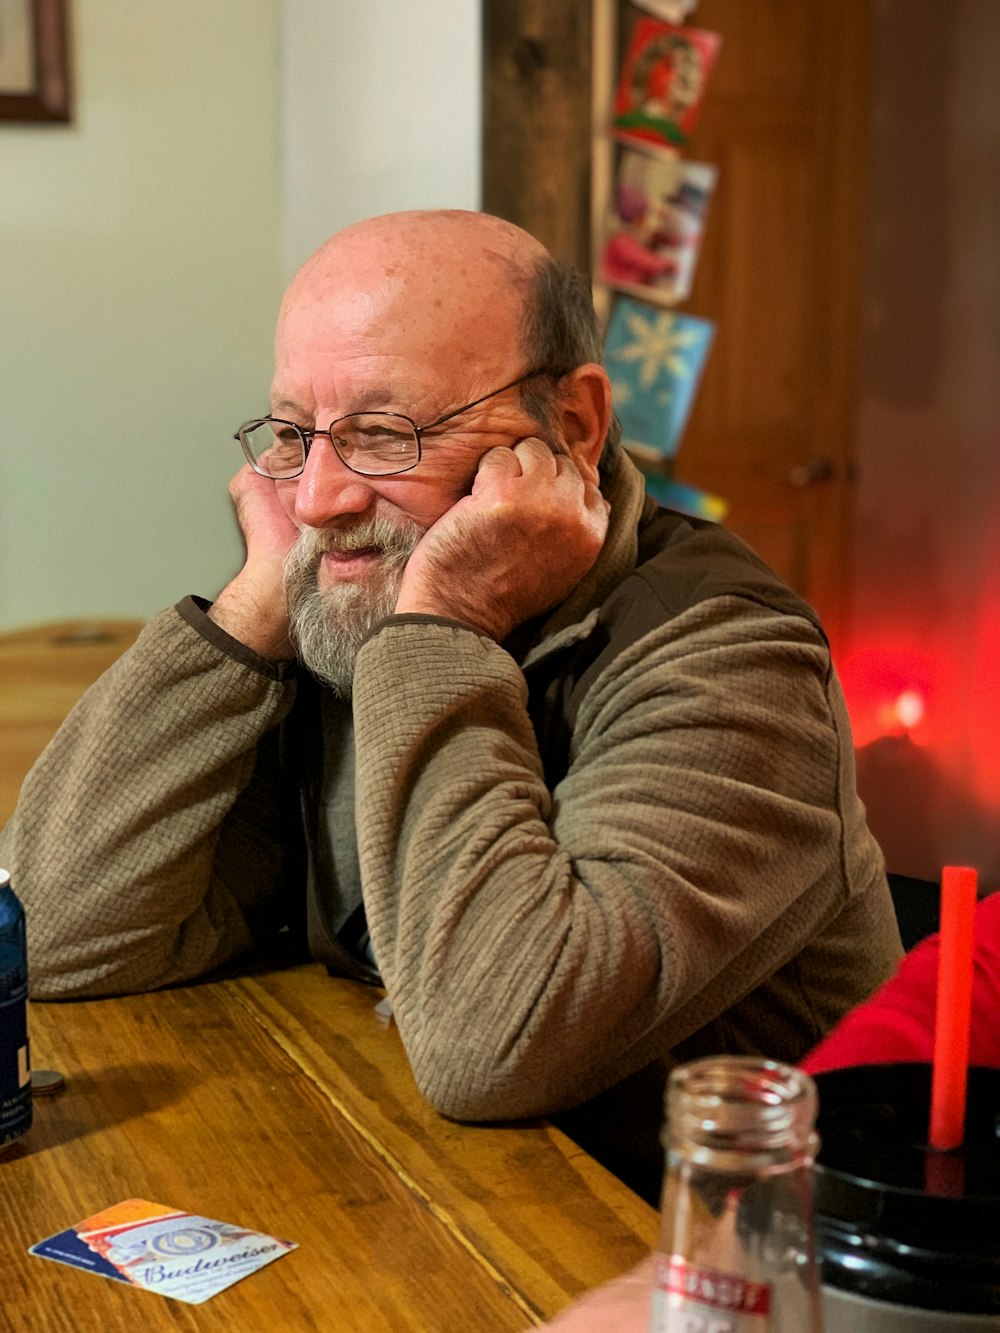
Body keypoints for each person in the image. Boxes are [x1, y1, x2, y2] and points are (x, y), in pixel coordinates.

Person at [0, 209, 902, 1204]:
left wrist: (443, 626)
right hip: (432, 1195)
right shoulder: (345, 591)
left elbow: (494, 1043)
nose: (316, 499)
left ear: (574, 425)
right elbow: (58, 937)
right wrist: (259, 598)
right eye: (296, 435)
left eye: (385, 433)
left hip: (706, 1262)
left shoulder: (731, 658)